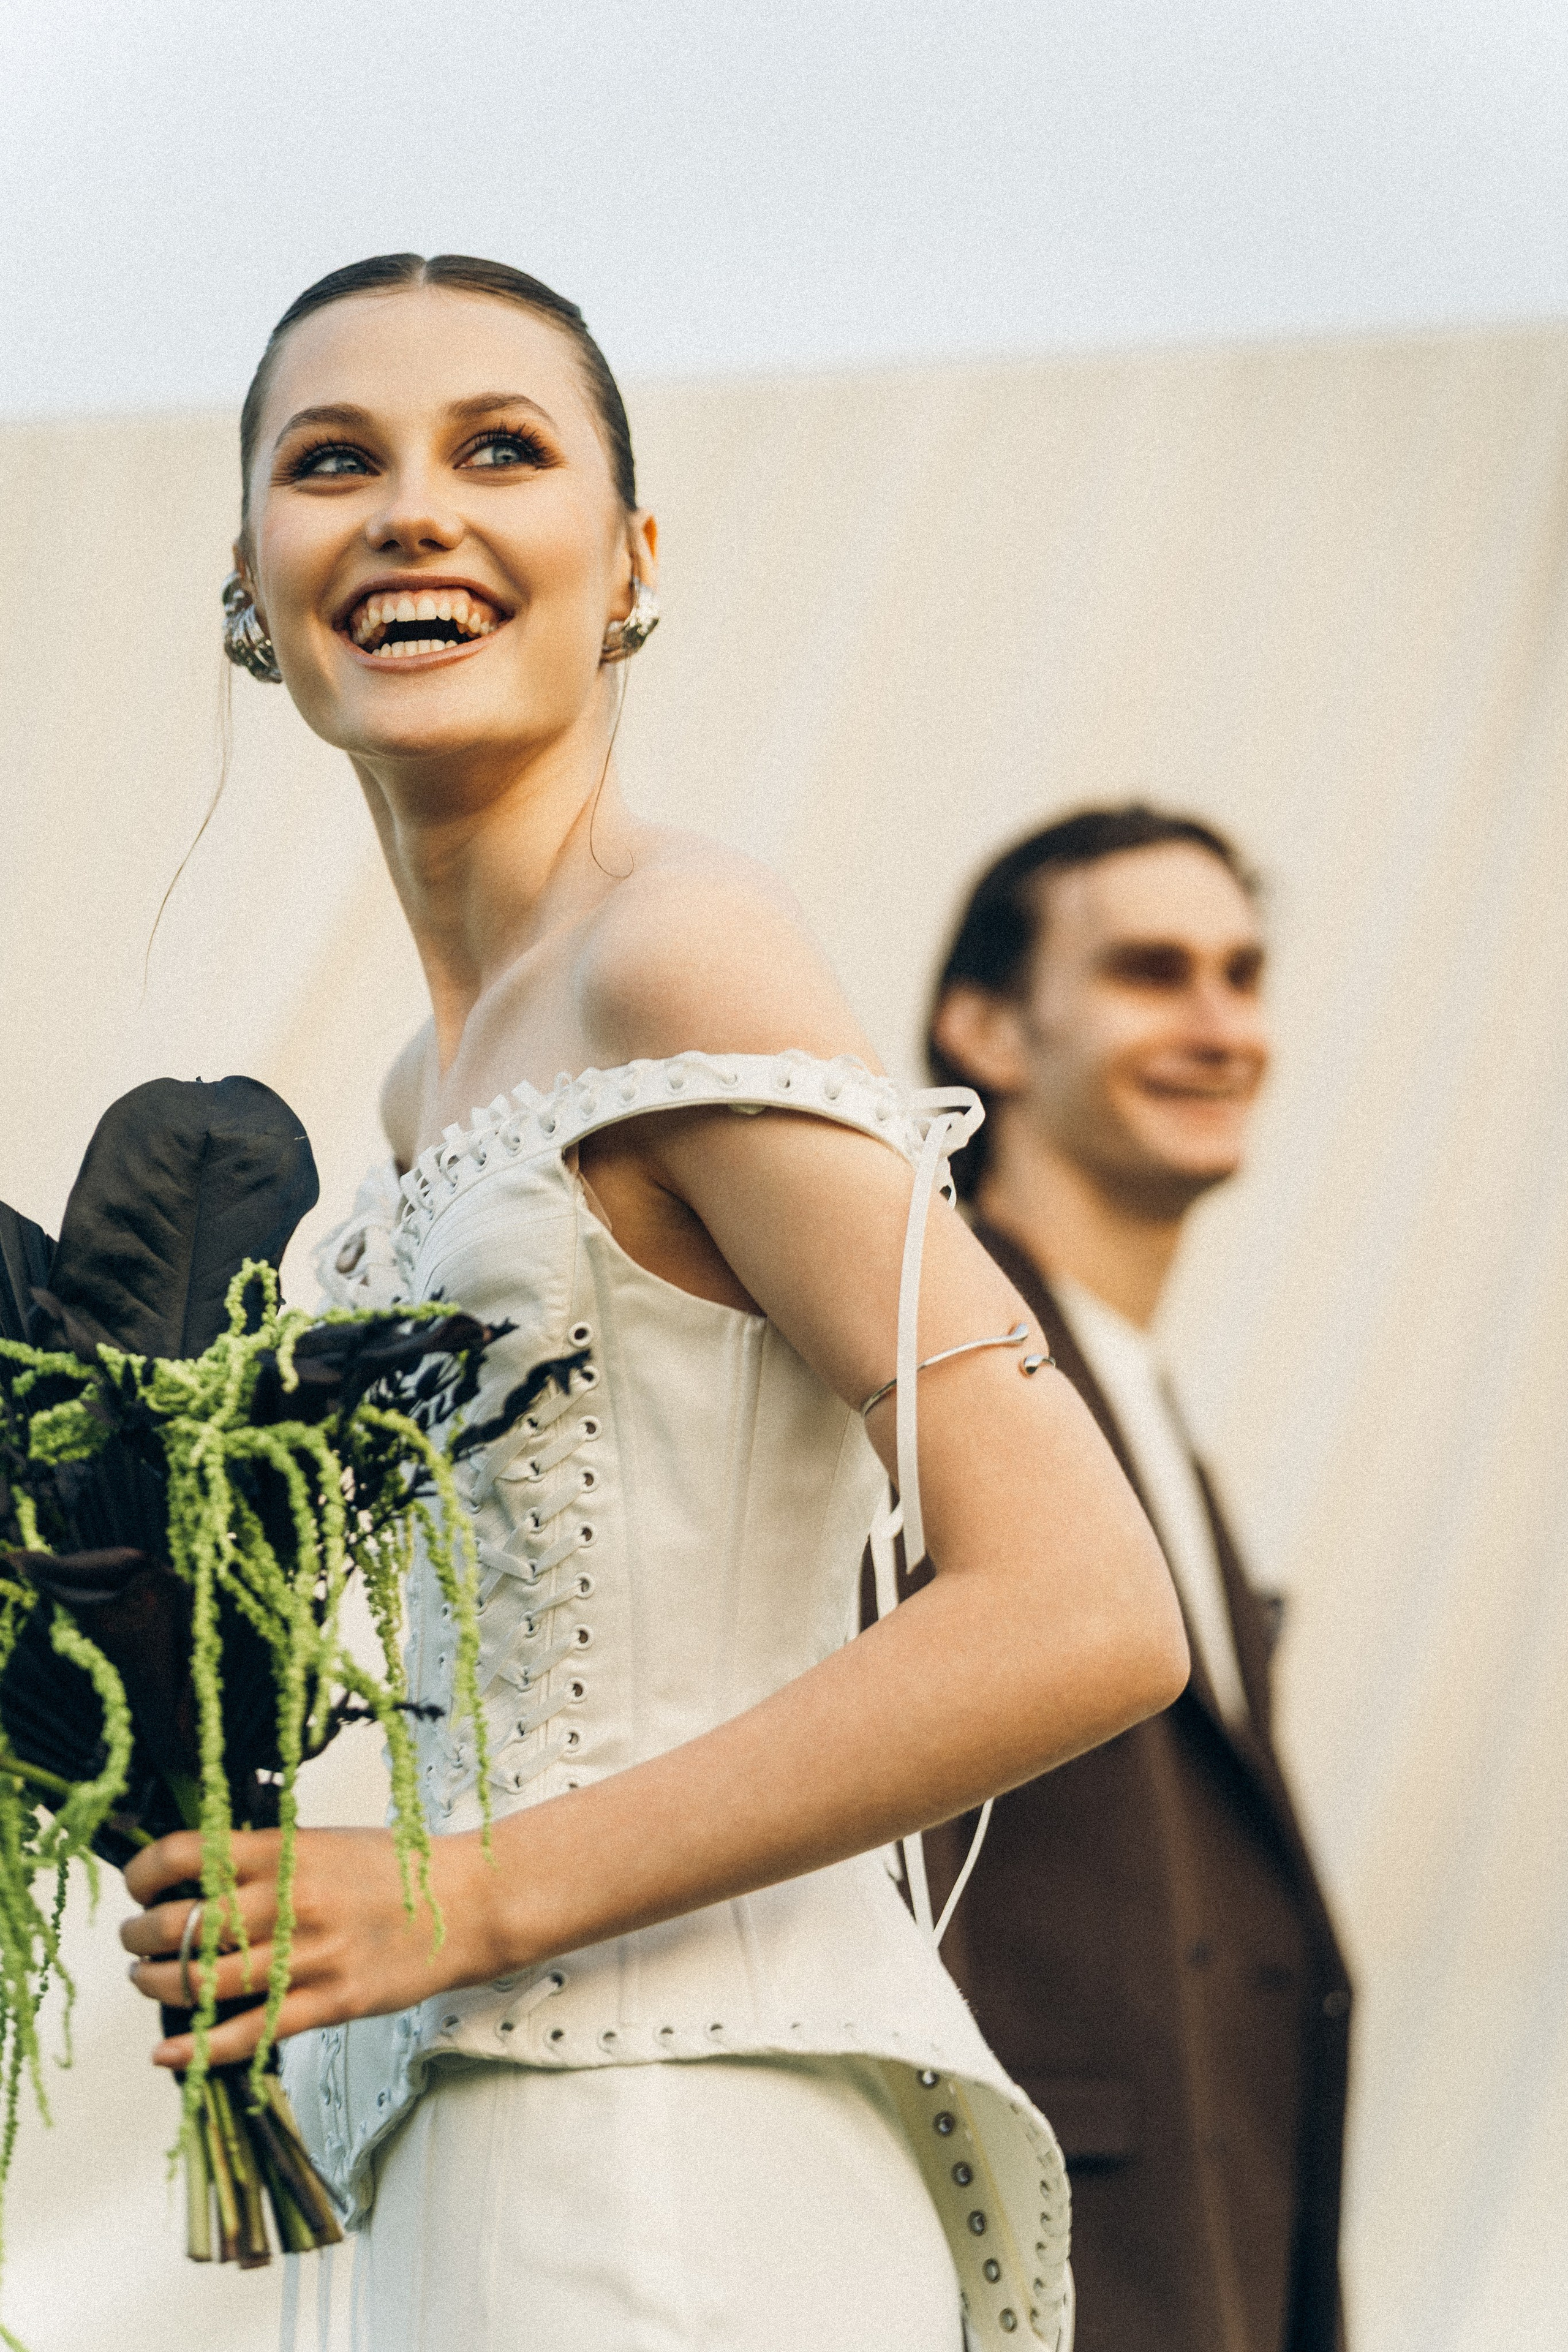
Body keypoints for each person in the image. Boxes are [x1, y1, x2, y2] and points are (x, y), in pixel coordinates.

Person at [117, 257, 1188, 2352]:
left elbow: (1083, 1603)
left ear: (630, 560)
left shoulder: (680, 950)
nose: (411, 509)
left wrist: (464, 1895)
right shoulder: (435, 1083)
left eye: (498, 450)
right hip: (468, 2132)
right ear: (249, 580)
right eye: (334, 463)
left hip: (665, 2149)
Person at [923, 805, 1354, 2352]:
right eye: (1150, 973)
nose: (1219, 1024)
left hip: (1205, 2264)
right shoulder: (934, 1362)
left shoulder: (1139, 1400)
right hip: (1032, 2267)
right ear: (987, 1030)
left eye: (1242, 976)